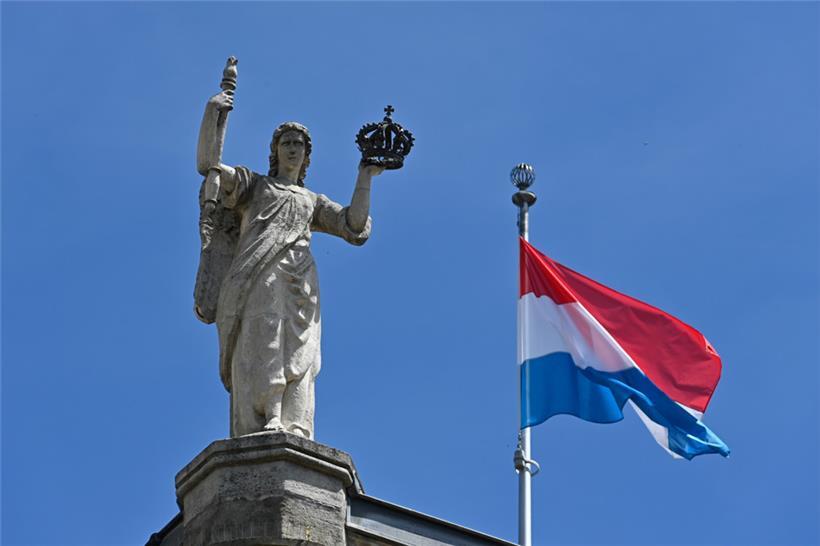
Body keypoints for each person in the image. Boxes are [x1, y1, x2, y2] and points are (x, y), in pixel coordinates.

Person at [196, 90, 383, 438]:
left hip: (301, 282)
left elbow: (354, 225)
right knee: (263, 341)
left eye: (299, 144)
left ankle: (295, 421)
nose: (293, 149)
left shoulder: (311, 200)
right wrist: (214, 115)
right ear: (275, 150)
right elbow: (210, 168)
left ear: (308, 155)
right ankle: (267, 414)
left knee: (300, 351)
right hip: (258, 275)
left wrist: (365, 176)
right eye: (287, 143)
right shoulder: (255, 186)